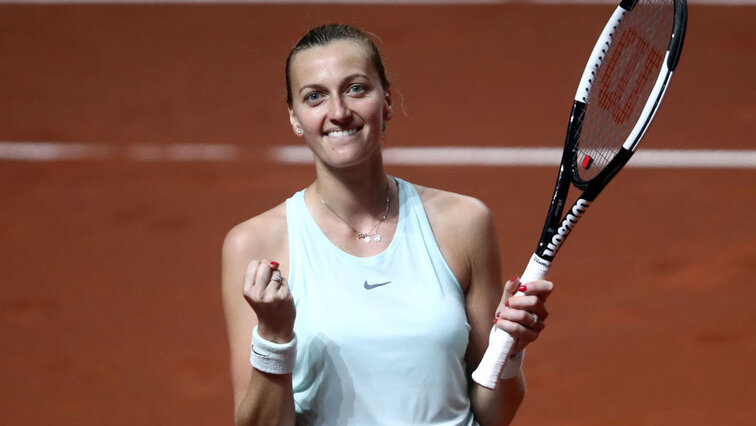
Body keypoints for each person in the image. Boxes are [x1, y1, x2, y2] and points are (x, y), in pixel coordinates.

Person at [222, 24, 553, 426]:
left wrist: (510, 351)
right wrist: (274, 339)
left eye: (356, 89)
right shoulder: (254, 245)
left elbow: (493, 415)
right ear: (295, 117)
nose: (339, 111)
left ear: (387, 102)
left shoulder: (464, 223)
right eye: (315, 96)